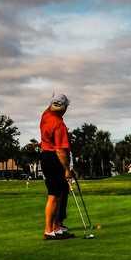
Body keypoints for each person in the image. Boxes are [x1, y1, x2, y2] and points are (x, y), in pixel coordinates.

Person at [40, 94, 75, 240]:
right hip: (54, 158)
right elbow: (60, 151)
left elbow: (51, 107)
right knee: (54, 195)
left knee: (60, 193)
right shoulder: (58, 124)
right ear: (64, 108)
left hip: (46, 156)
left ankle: (56, 227)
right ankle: (49, 230)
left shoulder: (46, 114)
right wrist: (67, 169)